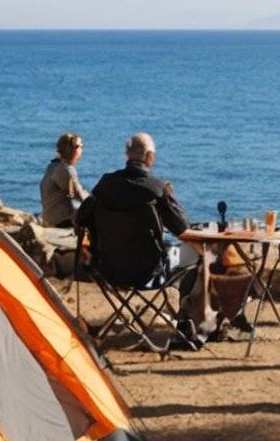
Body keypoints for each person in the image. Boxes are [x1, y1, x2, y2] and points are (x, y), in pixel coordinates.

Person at [78, 132, 206, 349]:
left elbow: (81, 217)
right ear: (149, 157)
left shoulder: (105, 185)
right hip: (147, 272)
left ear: (127, 155)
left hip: (108, 269)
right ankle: (184, 323)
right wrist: (170, 195)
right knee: (194, 256)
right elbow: (181, 226)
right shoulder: (156, 188)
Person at [39, 133, 86, 228]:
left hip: (49, 217)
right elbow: (81, 197)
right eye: (80, 146)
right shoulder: (65, 169)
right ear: (73, 149)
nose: (82, 149)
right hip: (60, 221)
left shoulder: (53, 166)